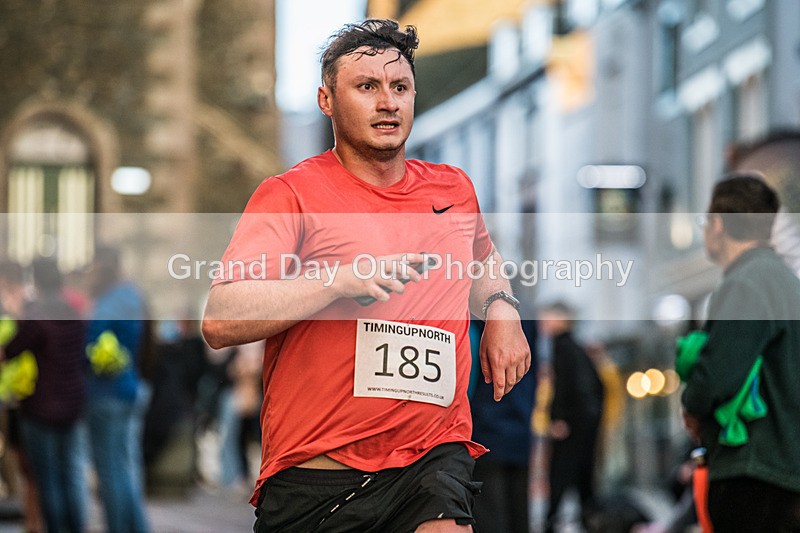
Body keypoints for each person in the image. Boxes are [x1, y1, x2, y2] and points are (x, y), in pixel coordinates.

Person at [202, 18, 530, 532]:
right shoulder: (291, 195)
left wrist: (502, 310)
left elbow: (483, 261)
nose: (387, 102)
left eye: (399, 87)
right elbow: (221, 319)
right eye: (367, 87)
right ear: (326, 100)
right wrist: (338, 281)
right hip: (318, 475)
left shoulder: (453, 189)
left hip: (431, 457)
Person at [681, 174, 800, 532]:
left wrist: (692, 403)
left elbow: (718, 375)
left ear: (718, 224)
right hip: (784, 471)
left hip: (754, 472)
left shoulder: (747, 282)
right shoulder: (785, 281)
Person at [0, 257, 88, 533]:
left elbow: (10, 349)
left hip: (41, 405)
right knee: (72, 474)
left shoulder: (36, 315)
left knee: (47, 477)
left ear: (36, 280)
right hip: (73, 402)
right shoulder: (74, 312)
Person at [85, 245, 150, 533]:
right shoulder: (132, 295)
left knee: (110, 470)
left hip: (106, 391)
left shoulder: (108, 300)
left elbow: (92, 340)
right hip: (130, 386)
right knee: (126, 468)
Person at [538, 302, 604, 533]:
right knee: (583, 474)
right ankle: (592, 520)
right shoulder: (577, 348)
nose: (542, 322)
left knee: (560, 472)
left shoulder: (562, 347)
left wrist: (558, 418)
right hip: (585, 423)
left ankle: (551, 521)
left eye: (547, 316)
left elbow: (564, 385)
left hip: (570, 424)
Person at [468, 318, 538, 533]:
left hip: (484, 433)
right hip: (519, 432)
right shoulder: (528, 320)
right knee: (518, 516)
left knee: (490, 518)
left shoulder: (479, 314)